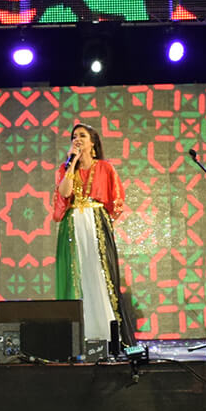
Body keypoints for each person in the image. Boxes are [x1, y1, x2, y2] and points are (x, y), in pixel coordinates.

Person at [52, 122, 135, 354]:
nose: (77, 139)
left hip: (96, 224)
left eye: (82, 136)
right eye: (73, 136)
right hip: (73, 226)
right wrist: (71, 163)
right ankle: (80, 336)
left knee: (100, 275)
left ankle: (108, 335)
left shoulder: (105, 168)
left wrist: (97, 218)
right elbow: (65, 193)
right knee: (78, 276)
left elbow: (115, 202)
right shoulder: (66, 168)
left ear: (93, 143)